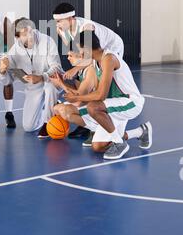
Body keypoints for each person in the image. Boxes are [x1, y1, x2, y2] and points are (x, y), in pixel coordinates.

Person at [53, 31, 152, 160]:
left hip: (130, 103)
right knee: (97, 146)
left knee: (93, 107)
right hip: (112, 106)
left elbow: (101, 95)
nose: (79, 52)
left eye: (80, 48)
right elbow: (94, 94)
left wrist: (77, 98)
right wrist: (64, 85)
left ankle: (119, 143)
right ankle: (140, 131)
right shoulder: (96, 62)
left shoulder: (108, 58)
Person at [52, 2, 124, 139]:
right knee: (84, 78)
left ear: (70, 19)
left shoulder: (87, 28)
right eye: (55, 21)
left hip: (112, 47)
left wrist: (75, 69)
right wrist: (78, 66)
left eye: (59, 21)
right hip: (91, 53)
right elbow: (77, 50)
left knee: (100, 83)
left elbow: (92, 55)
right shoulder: (61, 30)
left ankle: (103, 126)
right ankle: (86, 124)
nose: (57, 24)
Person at [0, 18, 62, 137]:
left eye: (30, 31)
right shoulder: (14, 51)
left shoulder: (47, 41)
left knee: (50, 86)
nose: (29, 35)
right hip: (33, 88)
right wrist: (2, 71)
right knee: (29, 127)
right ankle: (54, 106)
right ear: (18, 38)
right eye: (24, 34)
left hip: (52, 80)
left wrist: (41, 77)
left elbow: (56, 68)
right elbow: (8, 81)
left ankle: (47, 122)